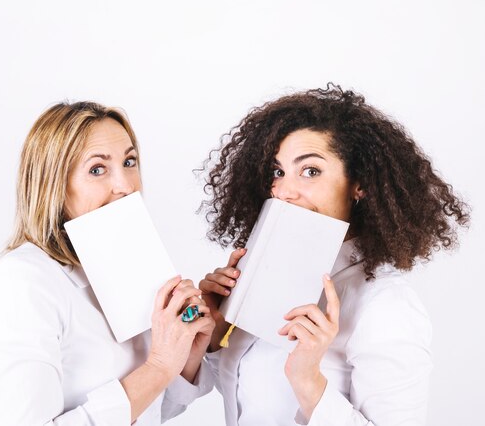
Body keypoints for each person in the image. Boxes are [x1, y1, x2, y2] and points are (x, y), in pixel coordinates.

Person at [199, 85, 469, 426]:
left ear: (360, 184)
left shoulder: (386, 304)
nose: (283, 191)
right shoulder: (269, 273)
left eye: (310, 171)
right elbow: (245, 393)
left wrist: (308, 380)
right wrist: (213, 333)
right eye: (278, 172)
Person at [0, 101, 215, 426]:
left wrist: (185, 352)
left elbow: (152, 411)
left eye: (130, 162)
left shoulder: (123, 266)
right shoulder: (21, 281)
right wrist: (159, 366)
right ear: (53, 185)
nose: (126, 185)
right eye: (97, 169)